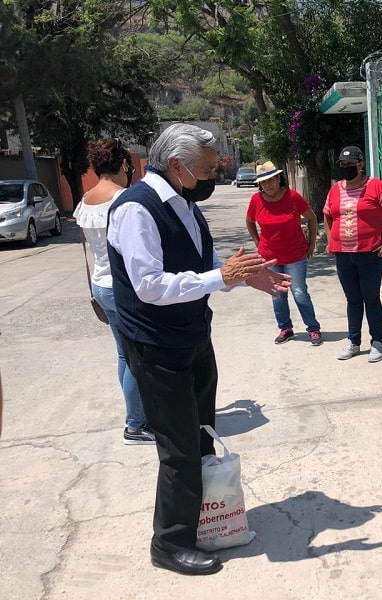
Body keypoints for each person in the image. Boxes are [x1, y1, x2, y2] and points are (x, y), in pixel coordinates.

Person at [107, 123, 291, 576]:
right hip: (155, 345)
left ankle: (202, 521)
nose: (214, 175)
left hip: (191, 336)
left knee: (202, 432)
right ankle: (169, 544)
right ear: (177, 165)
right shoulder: (136, 210)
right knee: (179, 447)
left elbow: (199, 259)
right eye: (207, 169)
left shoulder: (184, 203)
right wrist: (219, 279)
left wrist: (244, 274)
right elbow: (149, 286)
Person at [74, 139, 154, 446]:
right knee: (136, 357)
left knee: (124, 354)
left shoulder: (87, 199)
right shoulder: (126, 199)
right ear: (123, 164)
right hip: (124, 287)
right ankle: (135, 425)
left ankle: (137, 417)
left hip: (100, 284)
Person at [323, 146, 382, 362]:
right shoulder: (335, 189)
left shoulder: (376, 186)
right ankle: (353, 341)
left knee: (371, 298)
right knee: (353, 299)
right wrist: (331, 241)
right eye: (342, 164)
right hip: (343, 255)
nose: (346, 168)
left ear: (361, 164)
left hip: (370, 254)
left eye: (350, 164)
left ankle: (377, 341)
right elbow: (328, 215)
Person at [246, 160, 322, 346]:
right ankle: (285, 328)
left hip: (295, 255)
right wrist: (258, 242)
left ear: (279, 179)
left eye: (271, 180)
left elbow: (312, 219)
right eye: (264, 182)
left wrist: (311, 244)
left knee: (299, 292)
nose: (268, 184)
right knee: (277, 294)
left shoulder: (293, 196)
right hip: (270, 256)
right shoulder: (256, 200)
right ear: (260, 185)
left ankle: (313, 329)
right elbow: (249, 221)